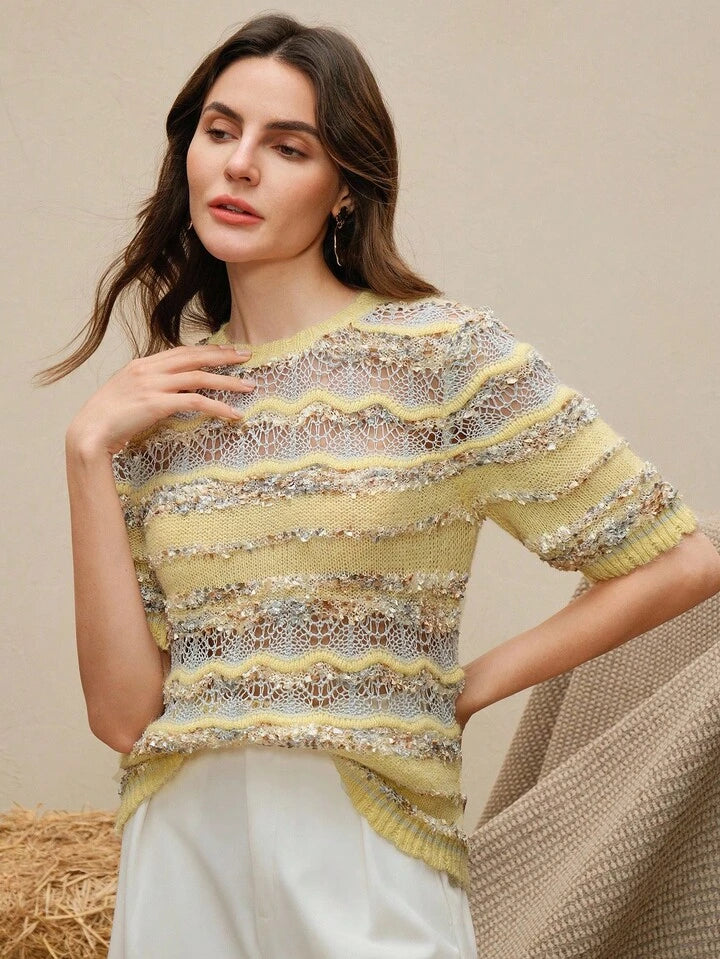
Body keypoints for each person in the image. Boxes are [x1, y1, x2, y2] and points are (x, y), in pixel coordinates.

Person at [50, 12, 720, 959]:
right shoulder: (156, 408)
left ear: (343, 191)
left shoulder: (442, 356)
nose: (239, 165)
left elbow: (681, 562)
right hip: (181, 858)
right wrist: (87, 452)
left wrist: (468, 686)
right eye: (220, 130)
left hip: (364, 848)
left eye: (288, 147)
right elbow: (124, 716)